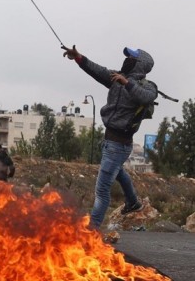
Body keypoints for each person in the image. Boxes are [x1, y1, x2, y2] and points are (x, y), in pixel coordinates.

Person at [62, 45, 158, 228]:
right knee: (118, 172)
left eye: (131, 58)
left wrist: (127, 83)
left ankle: (92, 231)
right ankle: (133, 202)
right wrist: (78, 57)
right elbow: (97, 70)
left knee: (102, 190)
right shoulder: (116, 78)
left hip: (119, 145)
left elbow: (146, 97)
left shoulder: (148, 87)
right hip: (109, 141)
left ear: (139, 65)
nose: (127, 60)